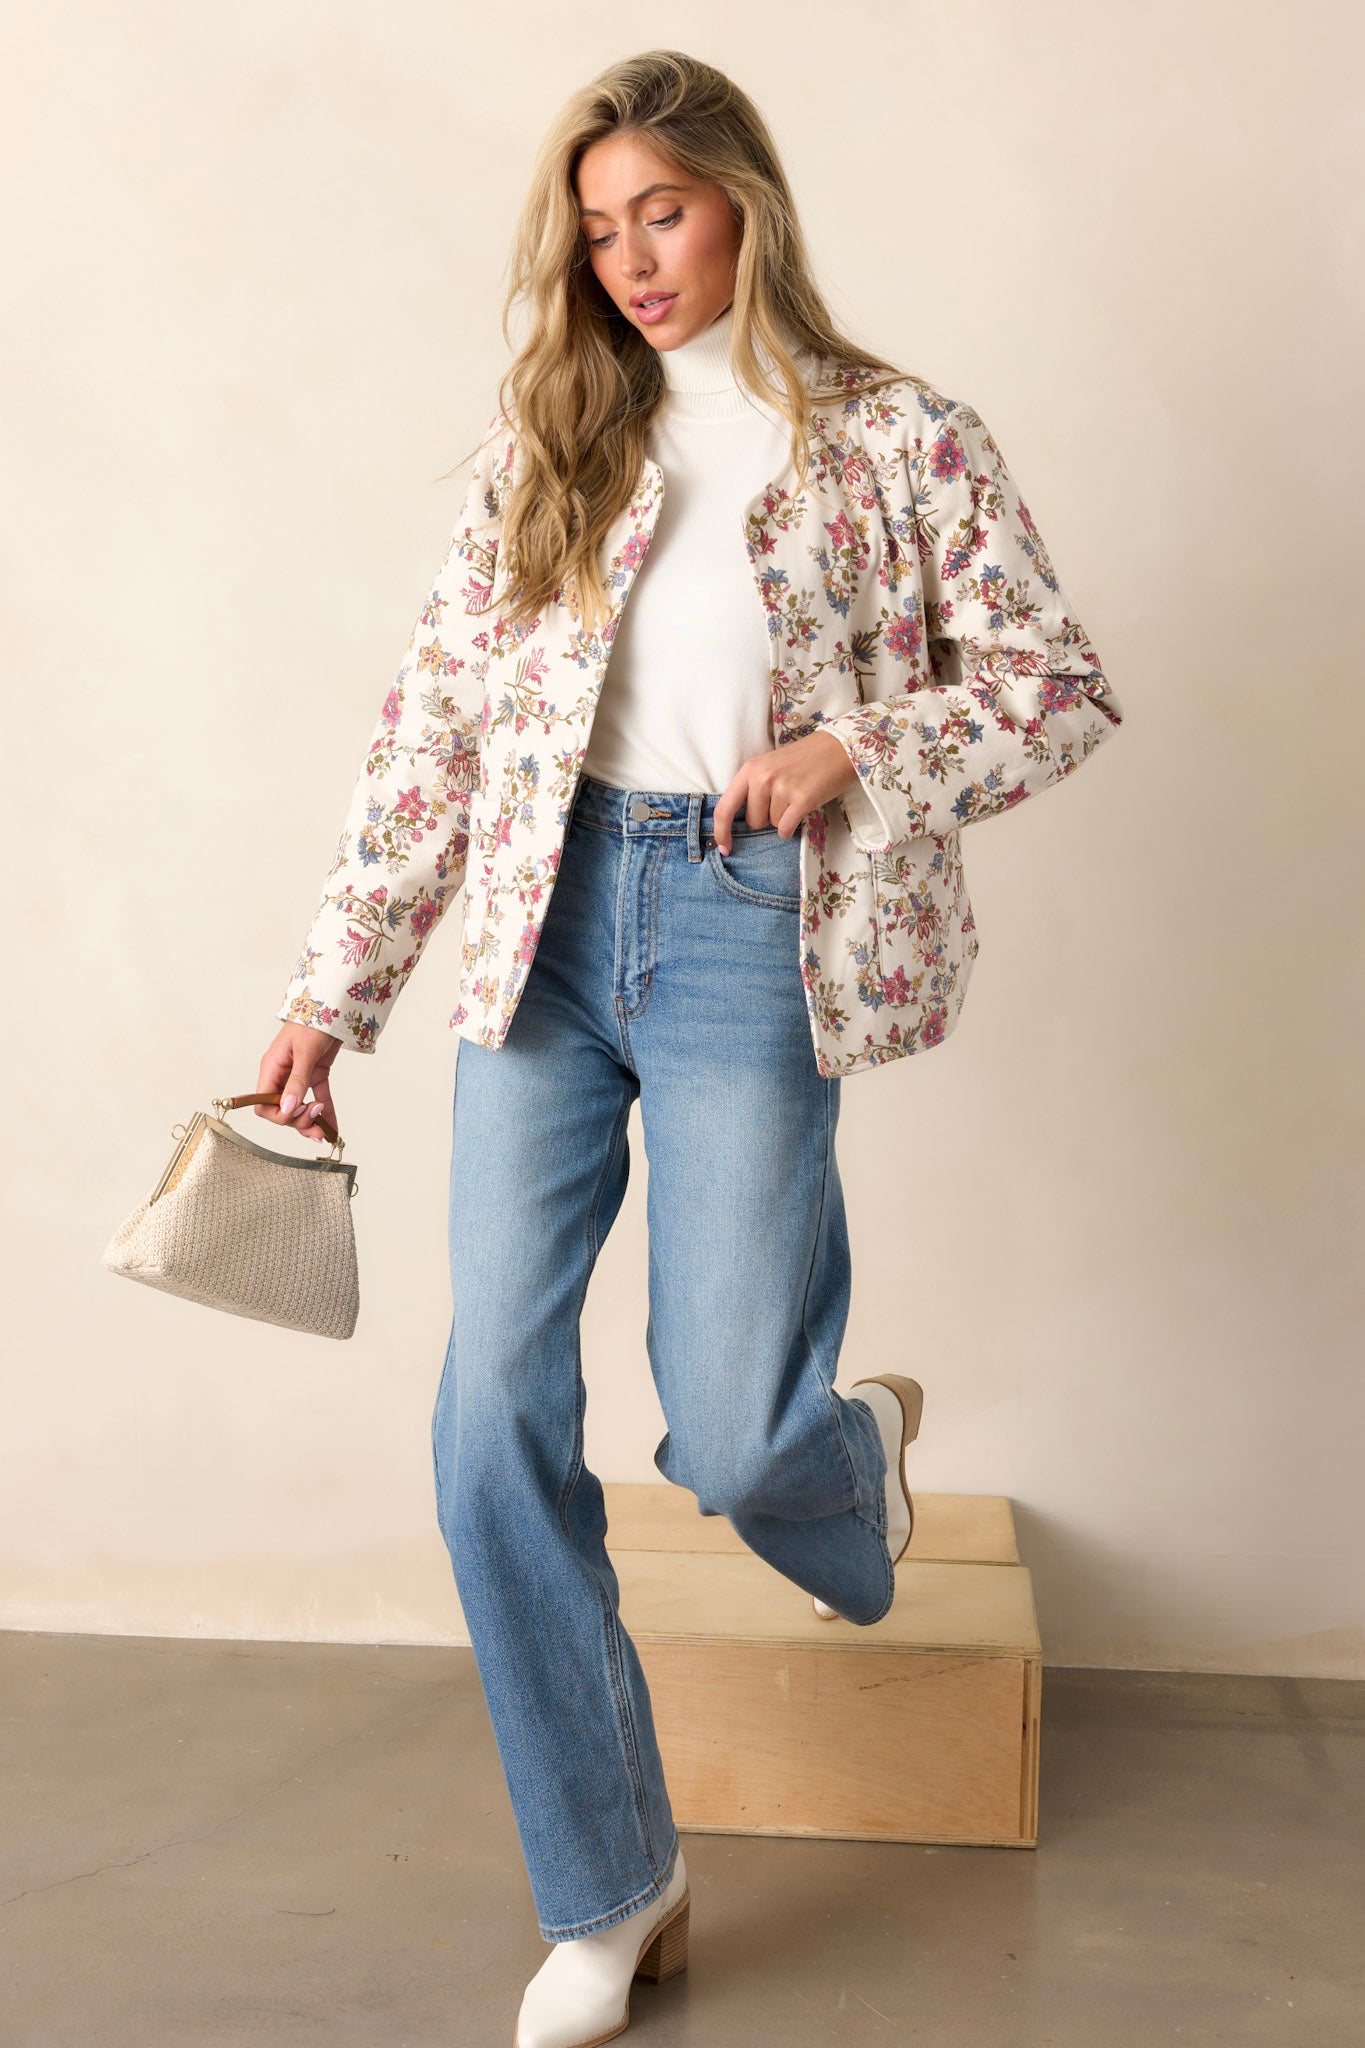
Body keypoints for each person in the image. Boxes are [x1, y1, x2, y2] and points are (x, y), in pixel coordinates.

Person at [256, 48, 1122, 2048]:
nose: (628, 256)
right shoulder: (553, 441)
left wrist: (854, 747)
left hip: (749, 928)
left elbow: (1051, 690)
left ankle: (843, 1454)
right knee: (487, 1422)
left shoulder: (900, 439)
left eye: (660, 207)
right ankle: (609, 1881)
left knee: (727, 1428)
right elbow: (436, 739)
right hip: (539, 941)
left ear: (745, 198)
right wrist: (328, 992)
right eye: (595, 220)